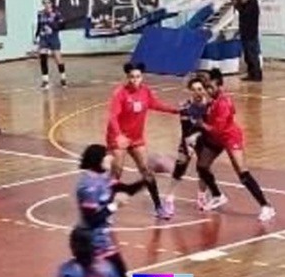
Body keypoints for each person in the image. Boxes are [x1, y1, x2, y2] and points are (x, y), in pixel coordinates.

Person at [75, 144, 145, 277]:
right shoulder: (87, 186)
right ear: (97, 160)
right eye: (107, 157)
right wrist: (114, 205)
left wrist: (149, 176)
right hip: (93, 244)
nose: (111, 160)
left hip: (105, 243)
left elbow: (126, 190)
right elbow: (92, 219)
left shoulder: (104, 180)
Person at [196, 68, 275, 220]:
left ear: (220, 87)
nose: (208, 90)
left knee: (242, 172)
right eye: (207, 88)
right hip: (216, 137)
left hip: (230, 137)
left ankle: (266, 206)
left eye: (211, 88)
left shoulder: (223, 103)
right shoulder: (211, 101)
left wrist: (201, 125)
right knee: (202, 166)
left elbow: (218, 129)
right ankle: (218, 195)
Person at [106, 62, 179, 220]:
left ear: (142, 77)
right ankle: (108, 210)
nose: (135, 80)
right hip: (117, 138)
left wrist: (176, 111)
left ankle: (158, 207)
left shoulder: (146, 91)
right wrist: (118, 135)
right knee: (116, 172)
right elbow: (112, 117)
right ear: (127, 77)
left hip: (136, 138)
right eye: (132, 77)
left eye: (138, 77)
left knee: (146, 171)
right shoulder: (120, 93)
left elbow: (156, 105)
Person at [164, 76, 211, 215]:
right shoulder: (185, 107)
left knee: (204, 169)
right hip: (189, 139)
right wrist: (188, 145)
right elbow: (185, 129)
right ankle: (169, 198)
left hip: (205, 140)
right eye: (194, 90)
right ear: (190, 91)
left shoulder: (210, 106)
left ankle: (201, 196)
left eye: (200, 89)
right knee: (180, 167)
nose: (198, 92)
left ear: (204, 90)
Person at [35, 0, 67, 89]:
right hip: (43, 38)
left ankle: (63, 78)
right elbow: (39, 25)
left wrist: (53, 27)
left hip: (53, 38)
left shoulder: (56, 14)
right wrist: (36, 36)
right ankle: (45, 80)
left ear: (51, 3)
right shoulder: (40, 13)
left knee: (58, 59)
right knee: (43, 57)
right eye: (44, 3)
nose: (46, 5)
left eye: (48, 3)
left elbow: (62, 25)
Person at [232, 0, 262, 82]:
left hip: (251, 34)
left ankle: (257, 75)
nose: (241, 0)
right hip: (245, 33)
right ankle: (251, 74)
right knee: (247, 56)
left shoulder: (252, 5)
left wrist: (237, 5)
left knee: (253, 55)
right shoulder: (247, 4)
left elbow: (244, 12)